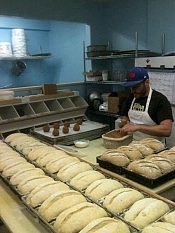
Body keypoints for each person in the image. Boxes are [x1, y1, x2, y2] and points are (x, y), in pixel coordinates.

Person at [119, 67, 173, 143]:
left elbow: (166, 130)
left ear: (147, 82)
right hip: (133, 144)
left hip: (154, 147)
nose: (133, 91)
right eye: (131, 87)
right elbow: (125, 116)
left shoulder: (160, 100)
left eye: (136, 87)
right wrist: (124, 122)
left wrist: (138, 127)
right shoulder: (131, 97)